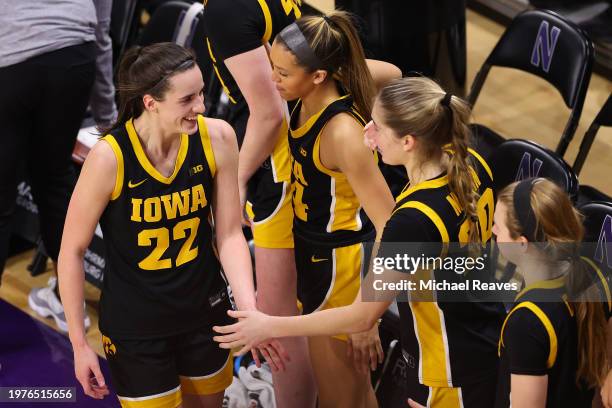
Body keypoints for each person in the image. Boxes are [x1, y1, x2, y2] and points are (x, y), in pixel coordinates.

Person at [214, 76, 506, 408]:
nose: (367, 134)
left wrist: (270, 325)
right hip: (479, 329)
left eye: (378, 128)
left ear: (409, 141)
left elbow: (362, 316)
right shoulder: (473, 164)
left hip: (450, 362)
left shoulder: (414, 220)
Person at [57, 43, 282, 408]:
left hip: (203, 313)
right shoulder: (109, 158)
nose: (201, 107)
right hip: (136, 328)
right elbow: (72, 251)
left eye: (202, 94)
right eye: (187, 99)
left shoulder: (219, 137)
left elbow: (227, 234)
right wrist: (79, 344)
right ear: (150, 102)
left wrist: (248, 308)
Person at [269, 11, 396, 407]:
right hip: (313, 253)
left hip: (341, 269)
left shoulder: (342, 134)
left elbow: (392, 227)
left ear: (319, 76)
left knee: (342, 400)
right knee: (353, 397)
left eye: (283, 73)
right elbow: (391, 71)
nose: (273, 80)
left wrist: (367, 314)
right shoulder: (305, 91)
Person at [203, 1, 318, 405]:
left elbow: (269, 114)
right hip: (305, 144)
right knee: (288, 313)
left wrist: (235, 180)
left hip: (278, 162)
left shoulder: (222, 11)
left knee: (277, 319)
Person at [0, 0, 96, 331]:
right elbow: (103, 29)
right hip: (74, 57)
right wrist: (108, 114)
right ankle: (70, 305)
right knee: (54, 180)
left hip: (12, 57)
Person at [493, 178, 610, 408]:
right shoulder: (594, 275)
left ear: (522, 244)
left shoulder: (527, 323)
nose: (493, 229)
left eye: (499, 226)